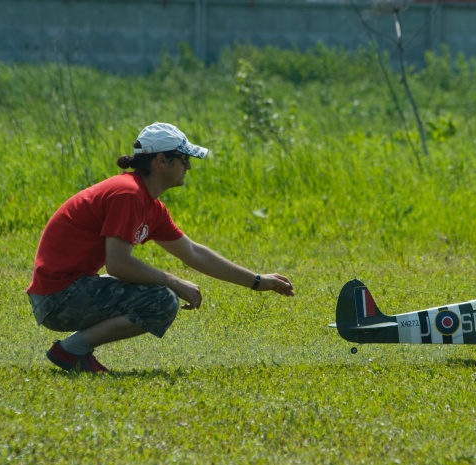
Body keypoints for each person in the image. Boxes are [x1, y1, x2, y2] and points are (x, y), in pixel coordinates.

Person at [27, 122, 294, 373]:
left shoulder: (149, 205)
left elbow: (192, 252)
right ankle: (71, 351)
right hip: (57, 299)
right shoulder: (127, 194)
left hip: (67, 291)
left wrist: (258, 281)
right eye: (184, 159)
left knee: (161, 294)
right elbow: (118, 265)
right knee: (162, 299)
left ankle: (73, 349)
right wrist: (175, 282)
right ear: (162, 160)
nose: (188, 167)